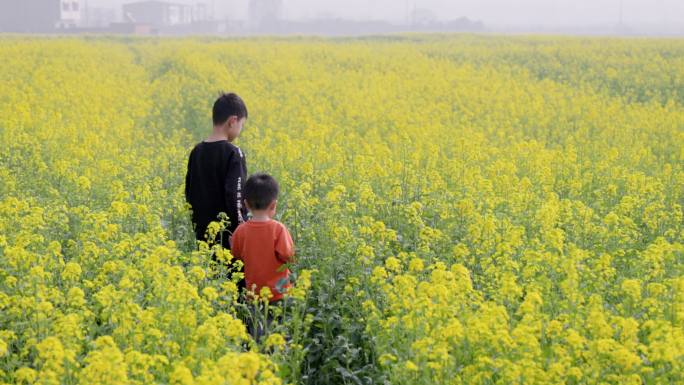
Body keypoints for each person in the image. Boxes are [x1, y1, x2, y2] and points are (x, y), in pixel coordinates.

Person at [185, 92, 249, 290]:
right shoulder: (233, 153)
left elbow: (189, 192)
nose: (240, 130)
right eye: (241, 125)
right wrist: (241, 230)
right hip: (230, 237)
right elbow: (235, 196)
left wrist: (198, 226)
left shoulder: (196, 152)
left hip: (204, 236)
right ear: (232, 121)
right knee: (234, 287)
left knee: (212, 286)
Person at [229, 173, 295, 340]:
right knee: (280, 331)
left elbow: (235, 255)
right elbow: (289, 256)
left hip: (254, 294)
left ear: (246, 204)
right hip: (279, 292)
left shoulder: (241, 231)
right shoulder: (278, 229)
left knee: (257, 331)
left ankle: (259, 359)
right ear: (273, 205)